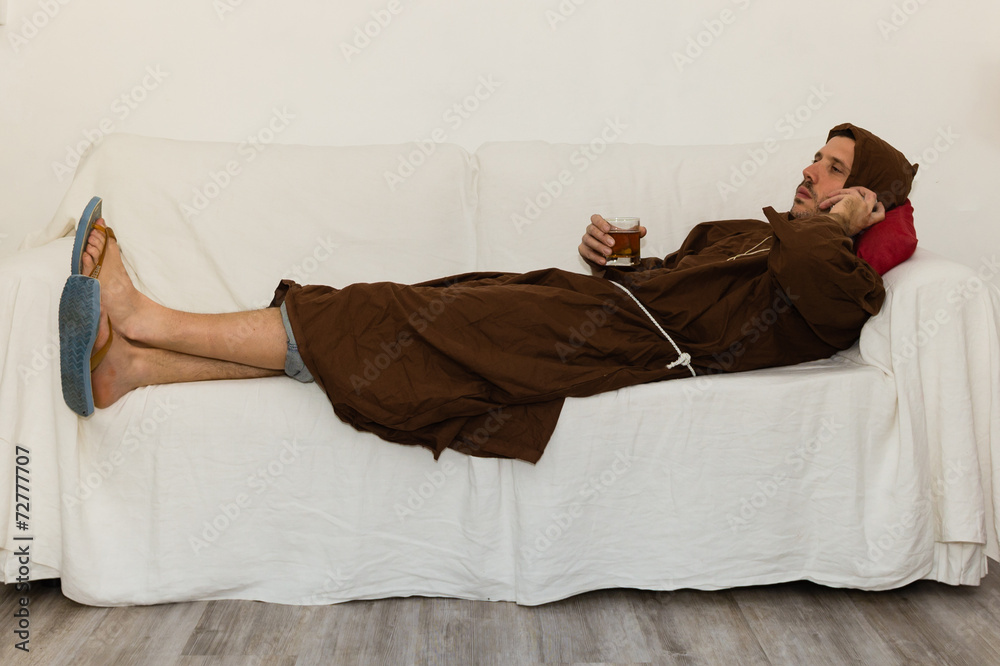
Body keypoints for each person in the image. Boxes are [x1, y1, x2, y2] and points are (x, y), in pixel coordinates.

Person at [65, 123, 918, 463]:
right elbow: (671, 286)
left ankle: (144, 317)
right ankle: (135, 367)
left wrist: (843, 222)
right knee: (407, 312)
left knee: (385, 316)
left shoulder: (843, 281)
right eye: (817, 158)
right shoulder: (759, 234)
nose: (809, 171)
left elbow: (808, 278)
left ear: (864, 198)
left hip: (608, 342)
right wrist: (610, 262)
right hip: (592, 311)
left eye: (833, 169)